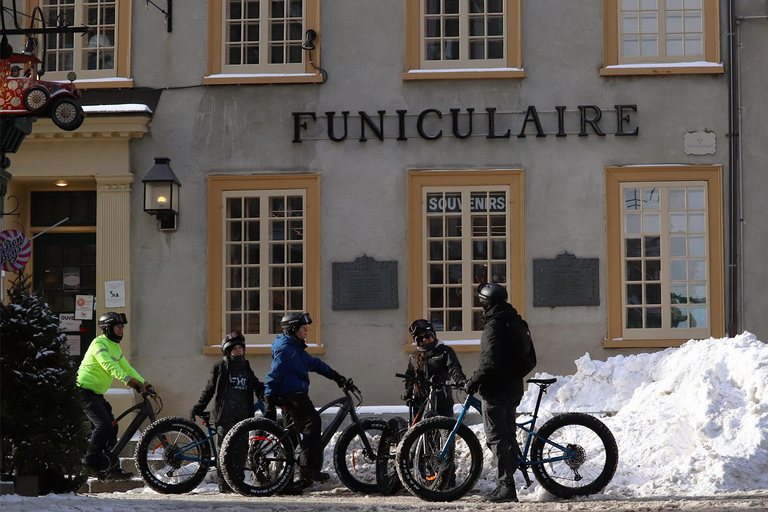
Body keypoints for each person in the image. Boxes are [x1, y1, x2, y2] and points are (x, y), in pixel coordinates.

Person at [264, 312, 348, 489]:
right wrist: (269, 400)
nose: (307, 331)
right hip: (293, 394)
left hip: (292, 395)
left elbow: (316, 364)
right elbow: (274, 374)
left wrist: (336, 376)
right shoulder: (287, 350)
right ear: (293, 329)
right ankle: (309, 469)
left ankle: (285, 483)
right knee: (313, 421)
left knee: (291, 437)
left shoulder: (296, 350)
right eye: (303, 328)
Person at [464, 283, 525, 503]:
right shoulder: (514, 320)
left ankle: (506, 488)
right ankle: (510, 475)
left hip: (496, 389)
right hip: (513, 387)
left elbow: (489, 363)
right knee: (507, 435)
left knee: (497, 438)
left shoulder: (494, 326)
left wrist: (473, 381)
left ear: (485, 303)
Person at [190, 331, 266, 493]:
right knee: (225, 451)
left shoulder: (246, 368)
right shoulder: (221, 367)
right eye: (234, 348)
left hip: (243, 417)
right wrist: (199, 406)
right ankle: (224, 485)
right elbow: (210, 389)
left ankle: (237, 483)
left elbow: (255, 385)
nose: (238, 351)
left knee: (242, 450)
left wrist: (266, 392)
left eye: (240, 348)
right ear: (227, 351)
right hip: (225, 417)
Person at [77, 312, 149, 480]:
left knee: (113, 427)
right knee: (103, 425)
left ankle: (110, 466)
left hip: (96, 393)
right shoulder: (98, 343)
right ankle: (89, 463)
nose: (121, 330)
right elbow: (107, 364)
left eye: (122, 327)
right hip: (84, 392)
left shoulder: (115, 347)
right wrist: (128, 381)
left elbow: (127, 367)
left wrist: (144, 383)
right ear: (108, 328)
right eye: (117, 327)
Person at [404, 319, 466, 418]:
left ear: (433, 335)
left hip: (442, 403)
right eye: (419, 339)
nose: (424, 340)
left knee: (445, 431)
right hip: (420, 404)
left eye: (427, 335)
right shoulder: (414, 355)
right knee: (418, 432)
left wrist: (460, 380)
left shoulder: (445, 352)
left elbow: (454, 368)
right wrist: (408, 392)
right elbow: (410, 376)